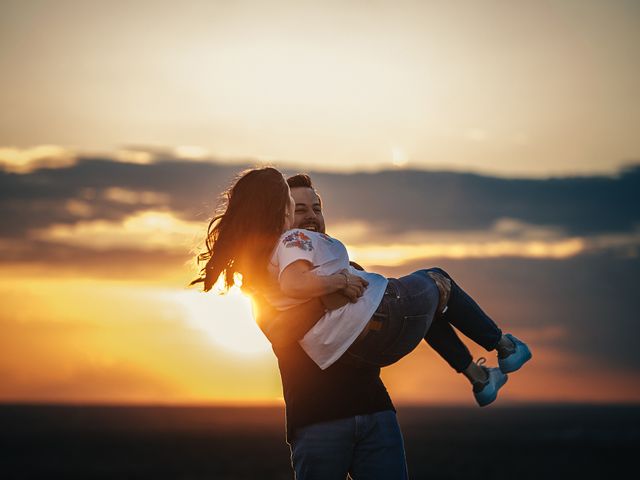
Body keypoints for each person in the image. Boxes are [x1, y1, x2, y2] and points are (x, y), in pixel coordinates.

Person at [191, 167, 532, 474]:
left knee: (428, 307)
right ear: (278, 214)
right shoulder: (262, 285)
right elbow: (282, 332)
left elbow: (376, 312)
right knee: (435, 284)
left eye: (317, 208)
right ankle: (498, 351)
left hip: (375, 410)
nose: (310, 216)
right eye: (297, 209)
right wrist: (331, 291)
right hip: (317, 421)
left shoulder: (336, 263)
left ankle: (477, 375)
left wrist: (340, 284)